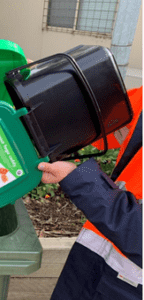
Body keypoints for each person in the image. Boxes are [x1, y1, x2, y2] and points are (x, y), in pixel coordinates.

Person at [37, 86, 142, 300]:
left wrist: (79, 180)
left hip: (130, 286)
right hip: (92, 256)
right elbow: (94, 118)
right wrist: (41, 91)